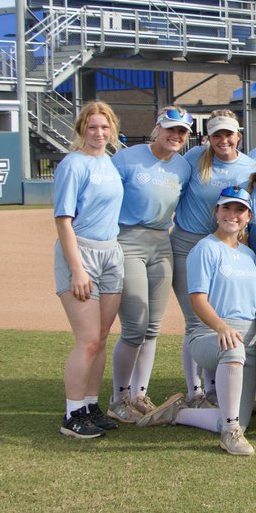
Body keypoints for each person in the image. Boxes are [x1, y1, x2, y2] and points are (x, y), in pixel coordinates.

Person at [106, 106, 193, 425]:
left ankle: (139, 394)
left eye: (182, 131)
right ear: (157, 128)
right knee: (134, 327)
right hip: (127, 239)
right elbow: (104, 198)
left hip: (161, 240)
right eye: (170, 129)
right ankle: (118, 398)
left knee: (153, 327)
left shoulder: (183, 167)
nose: (175, 135)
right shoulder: (128, 159)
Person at [171, 111, 256, 405]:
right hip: (188, 242)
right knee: (196, 320)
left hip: (226, 244)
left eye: (228, 134)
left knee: (221, 316)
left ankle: (214, 388)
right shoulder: (195, 157)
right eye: (216, 135)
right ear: (208, 137)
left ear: (238, 137)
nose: (223, 140)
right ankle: (195, 389)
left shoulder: (249, 166)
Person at [170, 185, 256, 456]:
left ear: (249, 217)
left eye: (240, 210)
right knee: (232, 349)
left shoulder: (250, 255)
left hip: (247, 338)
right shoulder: (205, 248)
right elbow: (198, 299)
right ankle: (229, 434)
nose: (232, 214)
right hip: (210, 334)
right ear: (217, 212)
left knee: (238, 417)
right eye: (227, 208)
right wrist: (221, 326)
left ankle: (181, 413)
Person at [53, 101, 125, 439]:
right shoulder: (73, 164)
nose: (99, 133)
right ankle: (72, 413)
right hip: (82, 253)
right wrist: (77, 269)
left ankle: (91, 406)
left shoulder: (109, 162)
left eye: (105, 127)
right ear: (82, 129)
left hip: (111, 252)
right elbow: (63, 222)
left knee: (101, 338)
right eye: (93, 127)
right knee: (87, 340)